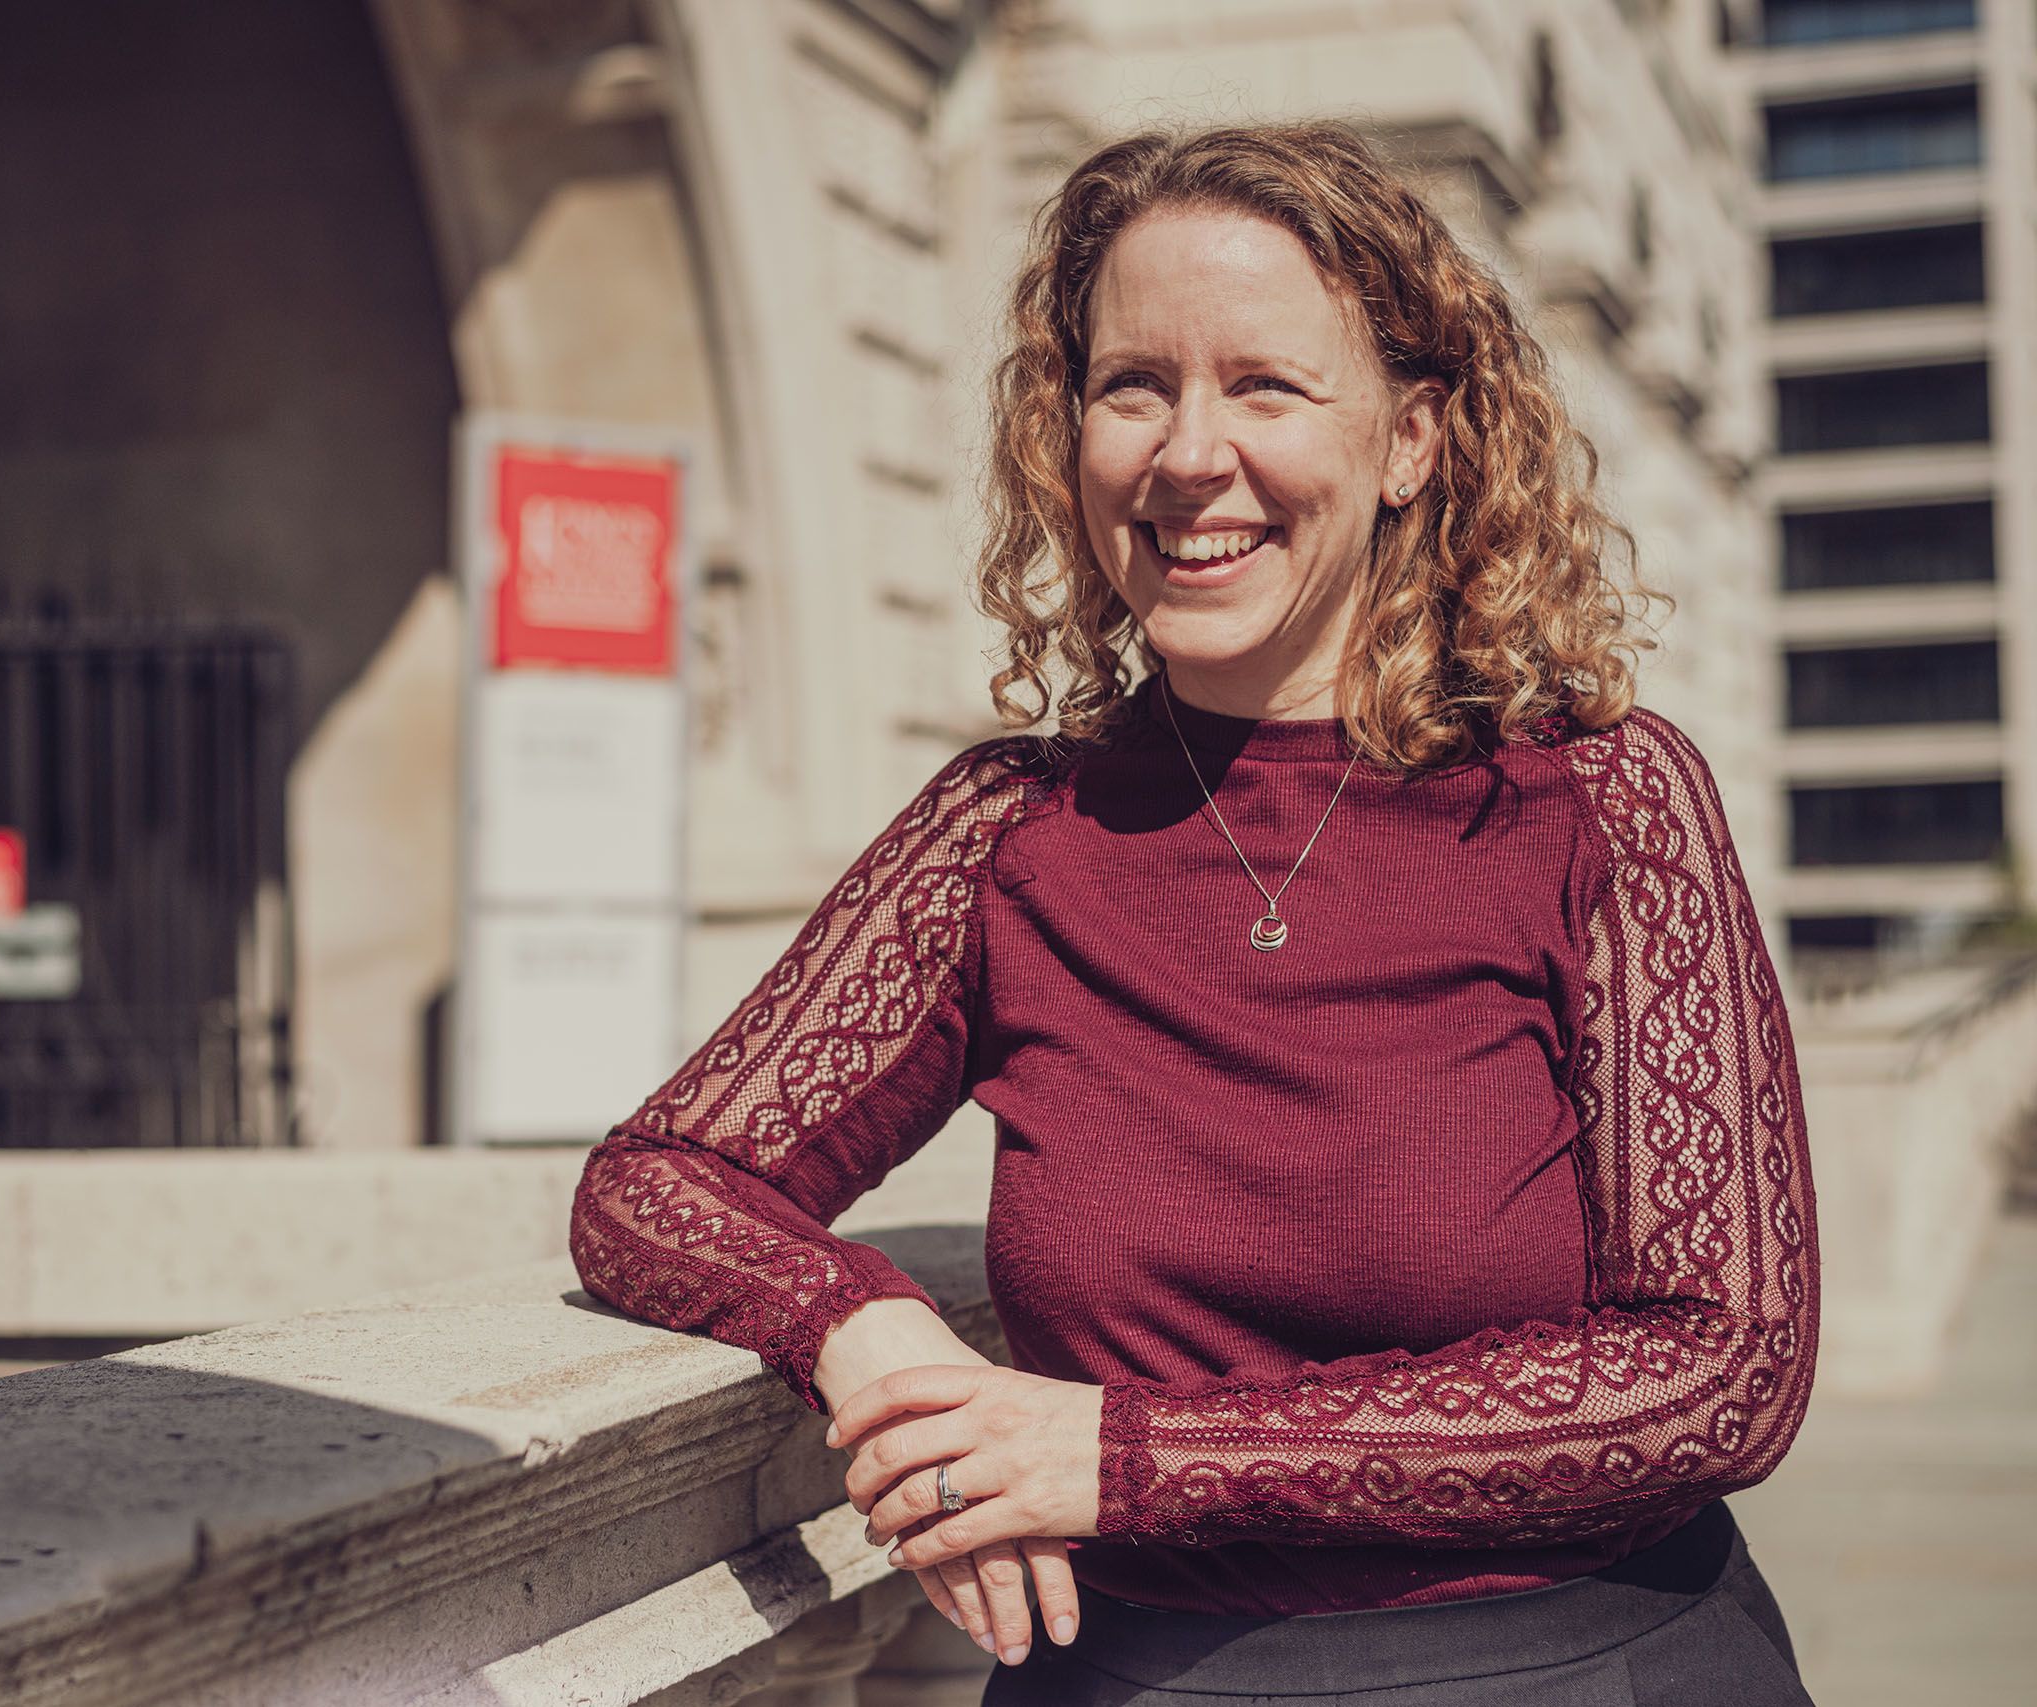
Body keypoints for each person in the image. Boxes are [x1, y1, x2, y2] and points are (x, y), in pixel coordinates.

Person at [567, 119, 1819, 1706]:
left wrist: (1130, 1454)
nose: (1185, 455)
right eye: (1132, 384)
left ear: (1413, 444)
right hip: (1131, 1676)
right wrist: (859, 1328)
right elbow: (655, 1184)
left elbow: (1721, 1370)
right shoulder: (1009, 833)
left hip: (1583, 1662)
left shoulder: (1600, 802)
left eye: (1267, 387)